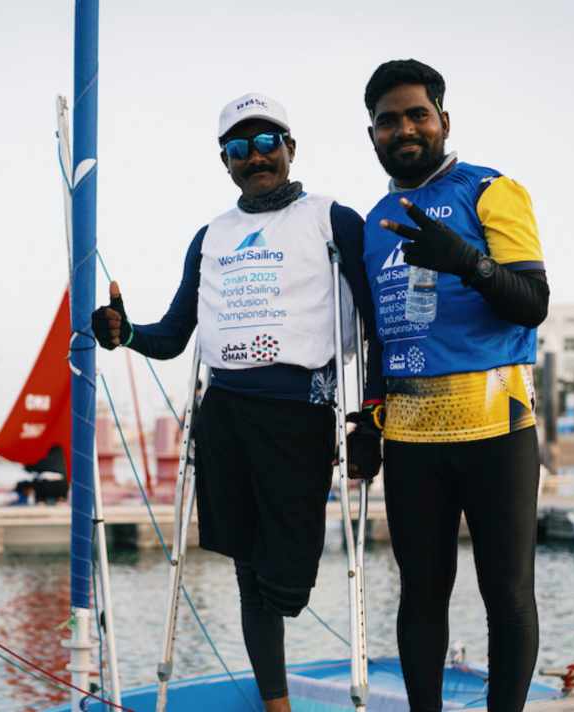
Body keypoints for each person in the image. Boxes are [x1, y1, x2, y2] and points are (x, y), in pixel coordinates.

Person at [91, 92, 382, 712]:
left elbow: (375, 324)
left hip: (300, 414)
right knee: (248, 571)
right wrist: (125, 331)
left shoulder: (334, 219)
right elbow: (172, 337)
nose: (254, 158)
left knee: (286, 579)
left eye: (265, 143)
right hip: (223, 414)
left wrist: (371, 414)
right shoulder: (211, 236)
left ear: (290, 149)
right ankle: (276, 705)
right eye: (238, 149)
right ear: (225, 162)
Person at [351, 59, 549, 711]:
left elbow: (532, 302)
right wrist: (369, 417)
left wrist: (466, 260)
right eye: (387, 120)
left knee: (508, 594)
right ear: (373, 133)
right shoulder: (377, 220)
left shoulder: (492, 189)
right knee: (421, 595)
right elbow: (382, 337)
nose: (403, 128)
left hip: (498, 430)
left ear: (443, 121)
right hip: (411, 439)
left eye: (417, 114)